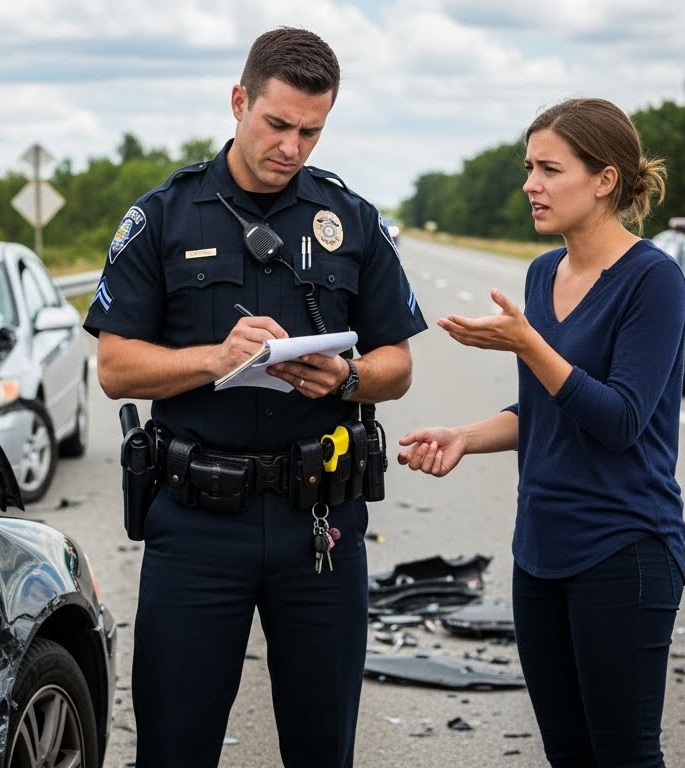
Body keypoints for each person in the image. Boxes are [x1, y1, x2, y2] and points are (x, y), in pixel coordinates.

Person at [84, 26, 427, 768]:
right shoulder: (164, 217)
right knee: (175, 745)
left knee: (320, 745)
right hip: (198, 525)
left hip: (321, 524)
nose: (292, 147)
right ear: (239, 101)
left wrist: (350, 379)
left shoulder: (351, 220)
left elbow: (397, 362)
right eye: (277, 124)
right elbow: (114, 367)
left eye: (311, 130)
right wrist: (215, 358)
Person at [397, 97, 685, 767]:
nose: (530, 184)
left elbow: (617, 420)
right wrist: (464, 436)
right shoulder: (539, 273)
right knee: (566, 754)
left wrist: (527, 344)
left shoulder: (653, 280)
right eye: (528, 167)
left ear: (604, 179)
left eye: (549, 169)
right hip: (539, 549)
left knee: (624, 756)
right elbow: (546, 411)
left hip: (623, 549)